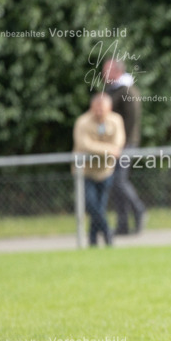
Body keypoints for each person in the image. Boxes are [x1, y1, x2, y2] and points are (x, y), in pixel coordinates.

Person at [73, 93, 125, 247]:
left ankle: (93, 240)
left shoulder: (115, 120)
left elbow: (118, 142)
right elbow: (84, 145)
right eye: (97, 109)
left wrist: (104, 149)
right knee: (92, 205)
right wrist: (108, 150)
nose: (99, 112)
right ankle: (107, 232)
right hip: (85, 172)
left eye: (102, 109)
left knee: (100, 207)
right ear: (91, 107)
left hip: (105, 170)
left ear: (109, 108)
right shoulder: (82, 122)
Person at [103, 59, 146, 235]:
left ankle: (138, 209)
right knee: (115, 184)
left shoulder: (127, 90)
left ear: (117, 71)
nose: (103, 73)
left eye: (107, 70)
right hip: (113, 145)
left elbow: (131, 120)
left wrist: (122, 144)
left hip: (125, 145)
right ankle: (123, 225)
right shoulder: (112, 90)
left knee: (119, 181)